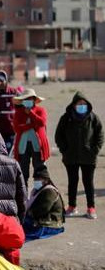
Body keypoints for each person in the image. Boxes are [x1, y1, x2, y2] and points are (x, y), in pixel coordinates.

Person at [55, 91, 103, 219]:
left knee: (88, 182)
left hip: (89, 157)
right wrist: (64, 150)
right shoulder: (66, 118)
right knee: (72, 181)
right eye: (79, 103)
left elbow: (100, 135)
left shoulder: (93, 118)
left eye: (84, 104)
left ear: (87, 105)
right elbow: (58, 136)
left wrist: (94, 151)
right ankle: (72, 206)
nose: (81, 106)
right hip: (70, 157)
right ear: (74, 105)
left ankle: (91, 208)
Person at [13, 88, 50, 186]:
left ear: (34, 100)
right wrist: (31, 125)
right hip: (22, 147)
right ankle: (23, 197)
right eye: (26, 99)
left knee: (39, 172)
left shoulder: (40, 110)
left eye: (30, 99)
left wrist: (31, 114)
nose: (28, 101)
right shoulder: (18, 112)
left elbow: (42, 122)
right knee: (22, 173)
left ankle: (39, 195)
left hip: (38, 146)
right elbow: (17, 128)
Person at [23, 165, 65, 241]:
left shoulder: (49, 191)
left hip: (51, 224)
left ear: (46, 180)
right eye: (35, 179)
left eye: (39, 179)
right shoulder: (37, 191)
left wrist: (29, 213)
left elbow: (42, 210)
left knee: (25, 233)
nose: (36, 181)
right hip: (40, 219)